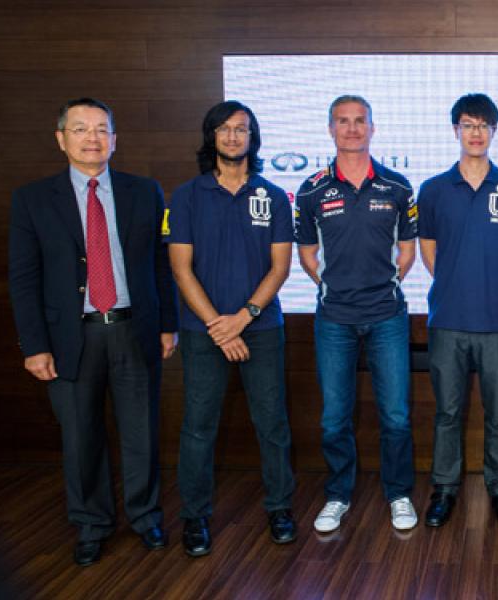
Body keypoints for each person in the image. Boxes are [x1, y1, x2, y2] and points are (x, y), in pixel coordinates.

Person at [8, 97, 178, 566]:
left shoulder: (145, 191)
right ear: (61, 139)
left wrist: (167, 324)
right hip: (70, 338)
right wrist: (34, 345)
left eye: (102, 130)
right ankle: (91, 524)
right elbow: (23, 279)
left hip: (133, 329)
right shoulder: (33, 199)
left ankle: (146, 517)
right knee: (81, 438)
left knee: (141, 431)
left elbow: (160, 265)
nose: (92, 139)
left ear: (115, 140)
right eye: (81, 130)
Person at [167, 100, 296, 557]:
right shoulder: (185, 196)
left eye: (241, 129)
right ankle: (196, 517)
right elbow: (181, 270)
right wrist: (218, 327)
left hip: (261, 329)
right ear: (212, 137)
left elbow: (280, 268)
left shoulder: (275, 196)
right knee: (199, 426)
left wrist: (243, 318)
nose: (233, 137)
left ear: (253, 138)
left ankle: (280, 507)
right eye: (224, 129)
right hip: (204, 332)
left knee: (272, 423)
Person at [295, 95, 418, 533]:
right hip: (334, 318)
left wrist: (388, 283)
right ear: (331, 129)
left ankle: (399, 494)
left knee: (396, 415)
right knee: (334, 416)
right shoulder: (311, 190)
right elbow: (307, 253)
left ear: (372, 127)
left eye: (359, 121)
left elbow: (408, 250)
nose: (351, 129)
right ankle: (337, 495)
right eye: (342, 122)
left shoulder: (398, 186)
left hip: (387, 314)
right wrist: (330, 286)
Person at [418, 93, 498, 528]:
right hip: (447, 319)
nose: (476, 133)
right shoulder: (432, 189)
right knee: (448, 412)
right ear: (455, 131)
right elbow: (429, 251)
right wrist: (455, 279)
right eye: (468, 125)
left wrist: (491, 280)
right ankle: (445, 489)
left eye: (483, 125)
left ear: (494, 131)